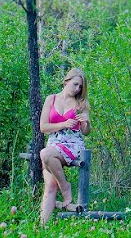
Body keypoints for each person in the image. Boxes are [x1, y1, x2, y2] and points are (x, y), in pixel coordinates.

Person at [39, 67, 91, 226]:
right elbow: (43, 127)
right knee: (49, 187)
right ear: (66, 81)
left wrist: (87, 122)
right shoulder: (51, 99)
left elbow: (85, 132)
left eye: (80, 87)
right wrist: (63, 124)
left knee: (45, 154)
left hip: (73, 145)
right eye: (75, 84)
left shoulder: (81, 103)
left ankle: (66, 187)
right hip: (54, 143)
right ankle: (42, 227)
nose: (77, 89)